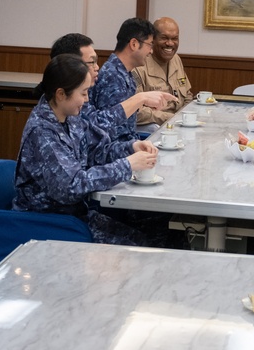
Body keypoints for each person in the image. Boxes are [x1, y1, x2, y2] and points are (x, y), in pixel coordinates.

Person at [14, 54, 163, 245]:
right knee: (137, 247)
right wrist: (127, 165)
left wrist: (131, 148)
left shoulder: (70, 116)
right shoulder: (43, 131)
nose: (86, 100)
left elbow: (96, 152)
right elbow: (71, 186)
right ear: (61, 94)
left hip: (76, 214)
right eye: (83, 93)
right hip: (51, 221)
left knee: (151, 234)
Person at [50, 31, 172, 132]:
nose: (97, 67)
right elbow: (97, 128)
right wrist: (139, 99)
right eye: (91, 62)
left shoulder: (78, 97)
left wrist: (132, 147)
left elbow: (100, 147)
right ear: (70, 66)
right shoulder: (47, 127)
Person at [88, 18, 175, 142]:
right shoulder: (112, 76)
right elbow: (108, 131)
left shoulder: (124, 72)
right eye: (150, 45)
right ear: (134, 44)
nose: (151, 51)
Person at [131, 17, 193, 126]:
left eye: (175, 38)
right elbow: (136, 112)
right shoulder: (139, 65)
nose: (170, 43)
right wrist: (172, 118)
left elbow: (187, 95)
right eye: (164, 38)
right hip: (154, 129)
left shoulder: (176, 59)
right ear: (152, 40)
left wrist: (187, 117)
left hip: (179, 124)